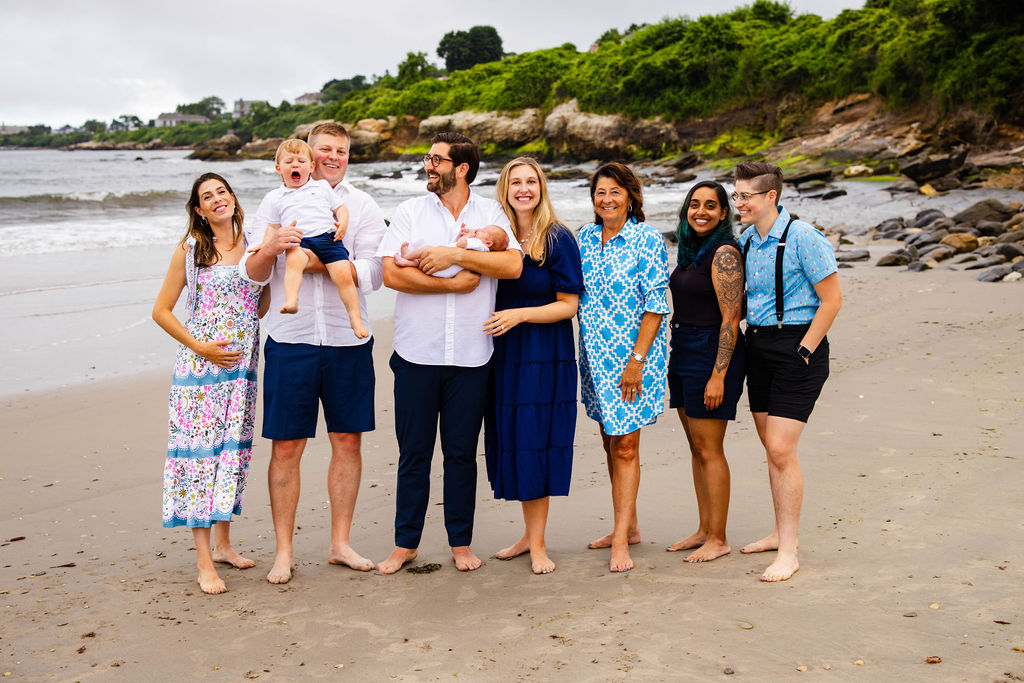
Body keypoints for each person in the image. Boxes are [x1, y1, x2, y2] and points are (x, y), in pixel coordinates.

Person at [241, 121, 388, 584]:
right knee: (286, 446)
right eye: (324, 149)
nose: (333, 157)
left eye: (341, 151)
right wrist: (272, 248)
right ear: (306, 153)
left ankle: (339, 543)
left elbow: (373, 270)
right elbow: (252, 272)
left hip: (349, 340)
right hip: (291, 338)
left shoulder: (360, 205)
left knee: (348, 440)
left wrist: (318, 263)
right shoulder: (278, 201)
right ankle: (283, 551)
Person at [375, 132, 522, 574]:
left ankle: (461, 542)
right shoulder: (409, 212)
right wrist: (453, 281)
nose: (428, 165)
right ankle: (405, 544)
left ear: (462, 168)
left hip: (472, 356)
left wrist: (453, 254)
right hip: (417, 352)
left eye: (437, 159)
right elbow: (391, 276)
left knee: (461, 453)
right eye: (428, 158)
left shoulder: (492, 213)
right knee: (413, 453)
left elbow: (512, 265)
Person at [154, 172, 265, 594]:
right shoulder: (191, 249)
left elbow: (260, 304)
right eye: (207, 196)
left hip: (241, 371)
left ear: (234, 199)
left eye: (223, 191)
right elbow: (161, 311)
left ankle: (223, 545)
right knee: (199, 461)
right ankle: (204, 563)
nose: (218, 199)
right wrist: (202, 348)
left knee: (229, 457)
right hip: (200, 374)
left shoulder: (254, 243)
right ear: (199, 210)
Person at [733, 161, 842, 582]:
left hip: (798, 347)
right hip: (757, 346)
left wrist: (804, 350)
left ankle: (790, 550)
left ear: (770, 197)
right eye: (736, 195)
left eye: (746, 196)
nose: (738, 203)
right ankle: (780, 532)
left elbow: (831, 300)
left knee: (780, 448)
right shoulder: (745, 242)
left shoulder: (803, 238)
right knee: (773, 449)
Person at [483, 157, 584, 575]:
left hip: (544, 353)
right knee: (517, 440)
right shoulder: (495, 235)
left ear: (541, 187)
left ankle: (539, 543)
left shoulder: (557, 237)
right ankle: (527, 535)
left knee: (537, 441)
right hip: (504, 354)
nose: (524, 189)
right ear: (504, 188)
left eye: (531, 181)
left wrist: (520, 315)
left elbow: (569, 306)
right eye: (515, 182)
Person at [577, 161, 669, 573]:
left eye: (615, 192)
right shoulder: (583, 237)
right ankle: (628, 525)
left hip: (635, 357)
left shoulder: (647, 240)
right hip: (594, 355)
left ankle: (620, 541)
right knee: (609, 440)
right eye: (600, 192)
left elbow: (656, 306)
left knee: (627, 445)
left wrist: (636, 362)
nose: (607, 199)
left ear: (631, 197)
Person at [664, 181, 746, 563]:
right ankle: (703, 528)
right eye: (694, 205)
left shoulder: (725, 252)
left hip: (712, 353)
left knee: (710, 449)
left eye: (710, 206)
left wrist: (719, 375)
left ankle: (720, 537)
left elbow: (731, 318)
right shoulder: (692, 251)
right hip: (683, 349)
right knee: (696, 448)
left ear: (724, 213)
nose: (701, 212)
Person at [260, 139, 366, 339]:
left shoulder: (322, 187)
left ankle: (355, 319)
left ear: (311, 166)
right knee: (294, 262)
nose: (295, 165)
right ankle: (292, 300)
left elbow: (340, 208)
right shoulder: (276, 197)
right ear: (278, 168)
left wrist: (342, 223)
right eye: (289, 161)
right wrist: (265, 247)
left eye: (301, 161)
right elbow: (273, 227)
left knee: (343, 276)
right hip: (298, 240)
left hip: (327, 238)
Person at [394, 224, 509, 276]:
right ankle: (407, 262)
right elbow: (455, 243)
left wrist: (468, 234)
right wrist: (461, 234)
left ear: (488, 243)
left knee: (427, 249)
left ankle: (407, 256)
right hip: (446, 270)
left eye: (481, 231)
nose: (477, 229)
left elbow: (460, 244)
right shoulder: (478, 248)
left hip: (443, 267)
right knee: (421, 262)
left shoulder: (479, 244)